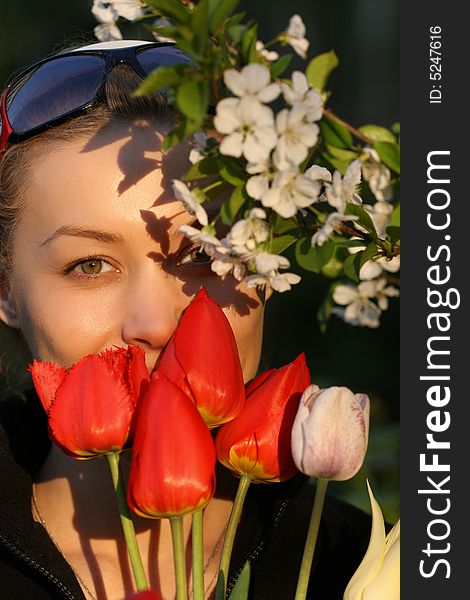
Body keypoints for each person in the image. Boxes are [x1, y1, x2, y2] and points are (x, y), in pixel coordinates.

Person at [0, 40, 372, 600]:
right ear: (6, 291)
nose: (155, 324)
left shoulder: (359, 567)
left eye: (204, 255)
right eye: (90, 264)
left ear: (266, 267)